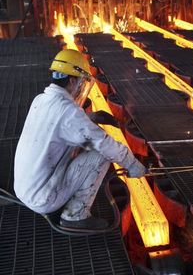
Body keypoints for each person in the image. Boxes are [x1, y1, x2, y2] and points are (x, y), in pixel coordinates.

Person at [14, 49, 146, 230]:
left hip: (25, 188)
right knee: (101, 155)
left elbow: (57, 125)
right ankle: (75, 216)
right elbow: (103, 144)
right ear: (72, 80)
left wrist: (89, 118)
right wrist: (132, 164)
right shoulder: (68, 112)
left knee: (87, 147)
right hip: (42, 198)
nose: (80, 88)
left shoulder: (41, 100)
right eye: (80, 82)